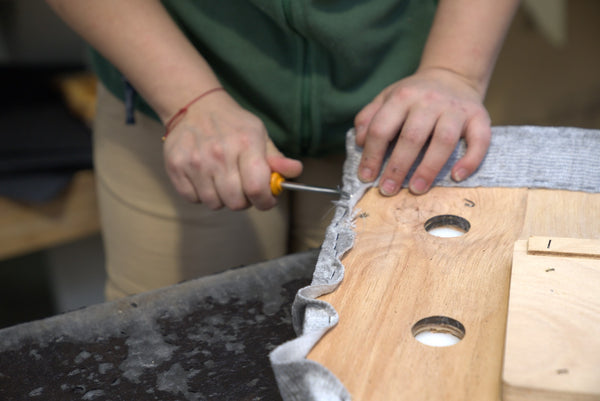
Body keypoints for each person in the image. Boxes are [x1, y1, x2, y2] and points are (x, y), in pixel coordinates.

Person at [46, 0, 520, 300]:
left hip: (406, 109)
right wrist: (188, 100)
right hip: (173, 94)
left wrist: (453, 71)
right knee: (174, 338)